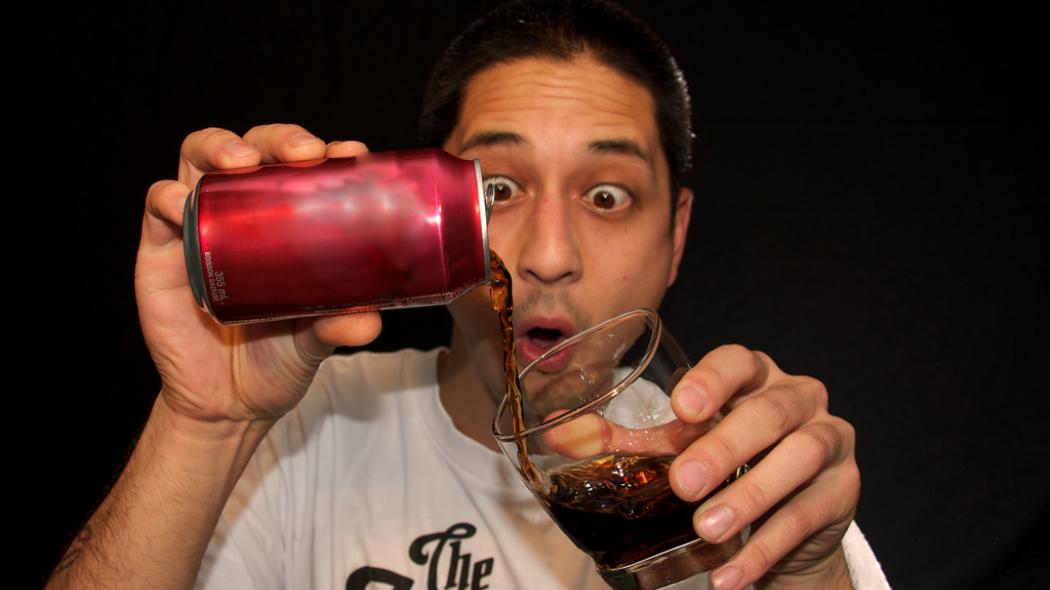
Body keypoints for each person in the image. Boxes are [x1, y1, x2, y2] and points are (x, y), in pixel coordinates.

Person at [46, 1, 890, 589]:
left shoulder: (744, 475)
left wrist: (807, 577)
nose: (549, 256)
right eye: (497, 190)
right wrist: (203, 424)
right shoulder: (301, 430)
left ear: (675, 237)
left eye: (607, 196)